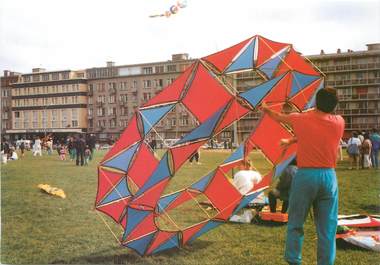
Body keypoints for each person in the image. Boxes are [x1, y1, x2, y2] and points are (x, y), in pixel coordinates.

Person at [261, 87, 344, 265]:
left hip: (305, 175)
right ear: (335, 106)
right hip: (329, 178)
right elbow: (316, 131)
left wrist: (266, 108)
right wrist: (291, 140)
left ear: (316, 102)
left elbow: (278, 117)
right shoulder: (339, 122)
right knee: (327, 228)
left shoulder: (301, 118)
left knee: (296, 223)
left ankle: (294, 260)